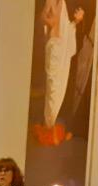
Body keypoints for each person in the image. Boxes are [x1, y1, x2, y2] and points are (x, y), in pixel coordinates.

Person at [38, 0, 84, 144]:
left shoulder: (64, 4)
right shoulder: (51, 1)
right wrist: (52, 23)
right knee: (52, 88)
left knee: (60, 88)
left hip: (62, 47)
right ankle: (48, 128)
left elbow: (68, 28)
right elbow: (42, 17)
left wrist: (76, 22)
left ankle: (50, 128)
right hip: (54, 47)